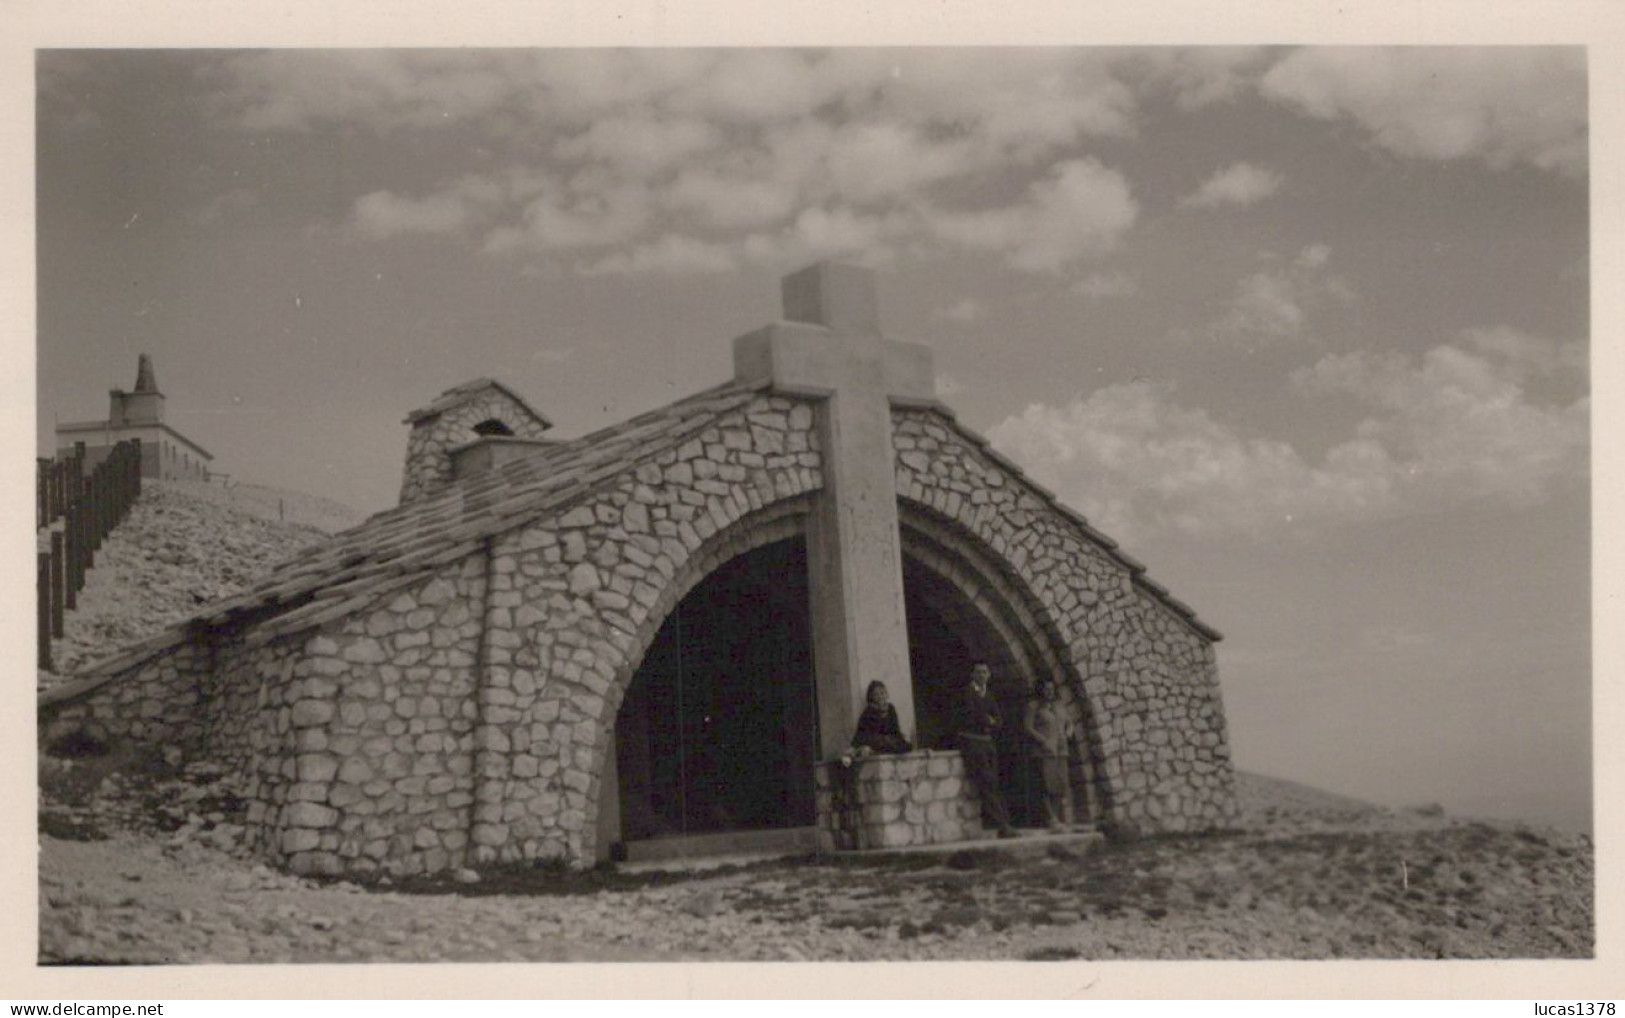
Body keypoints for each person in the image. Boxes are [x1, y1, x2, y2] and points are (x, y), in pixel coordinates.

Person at [957, 662, 1017, 839]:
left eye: (985, 672)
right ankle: (1001, 824)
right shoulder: (967, 693)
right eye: (978, 672)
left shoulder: (989, 695)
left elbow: (999, 720)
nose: (982, 675)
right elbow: (972, 715)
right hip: (973, 742)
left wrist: (990, 721)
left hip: (987, 742)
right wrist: (988, 720)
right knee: (986, 780)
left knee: (994, 781)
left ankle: (1003, 822)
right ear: (972, 675)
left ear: (989, 675)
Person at [1024, 678, 1074, 833]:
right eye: (1046, 689)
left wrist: (1068, 733)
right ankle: (1050, 818)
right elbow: (1028, 727)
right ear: (1040, 690)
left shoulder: (1059, 706)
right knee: (1047, 785)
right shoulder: (1033, 707)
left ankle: (1056, 817)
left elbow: (1069, 722)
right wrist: (1043, 740)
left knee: (1060, 784)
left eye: (1052, 689)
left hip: (1061, 750)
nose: (1049, 692)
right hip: (1044, 751)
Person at [849, 680, 912, 758]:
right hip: (874, 740)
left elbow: (895, 729)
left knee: (906, 746)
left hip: (889, 741)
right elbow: (865, 734)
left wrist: (897, 739)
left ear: (887, 694)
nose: (880, 697)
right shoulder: (868, 712)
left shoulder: (891, 709)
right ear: (871, 697)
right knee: (877, 743)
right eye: (876, 694)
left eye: (882, 693)